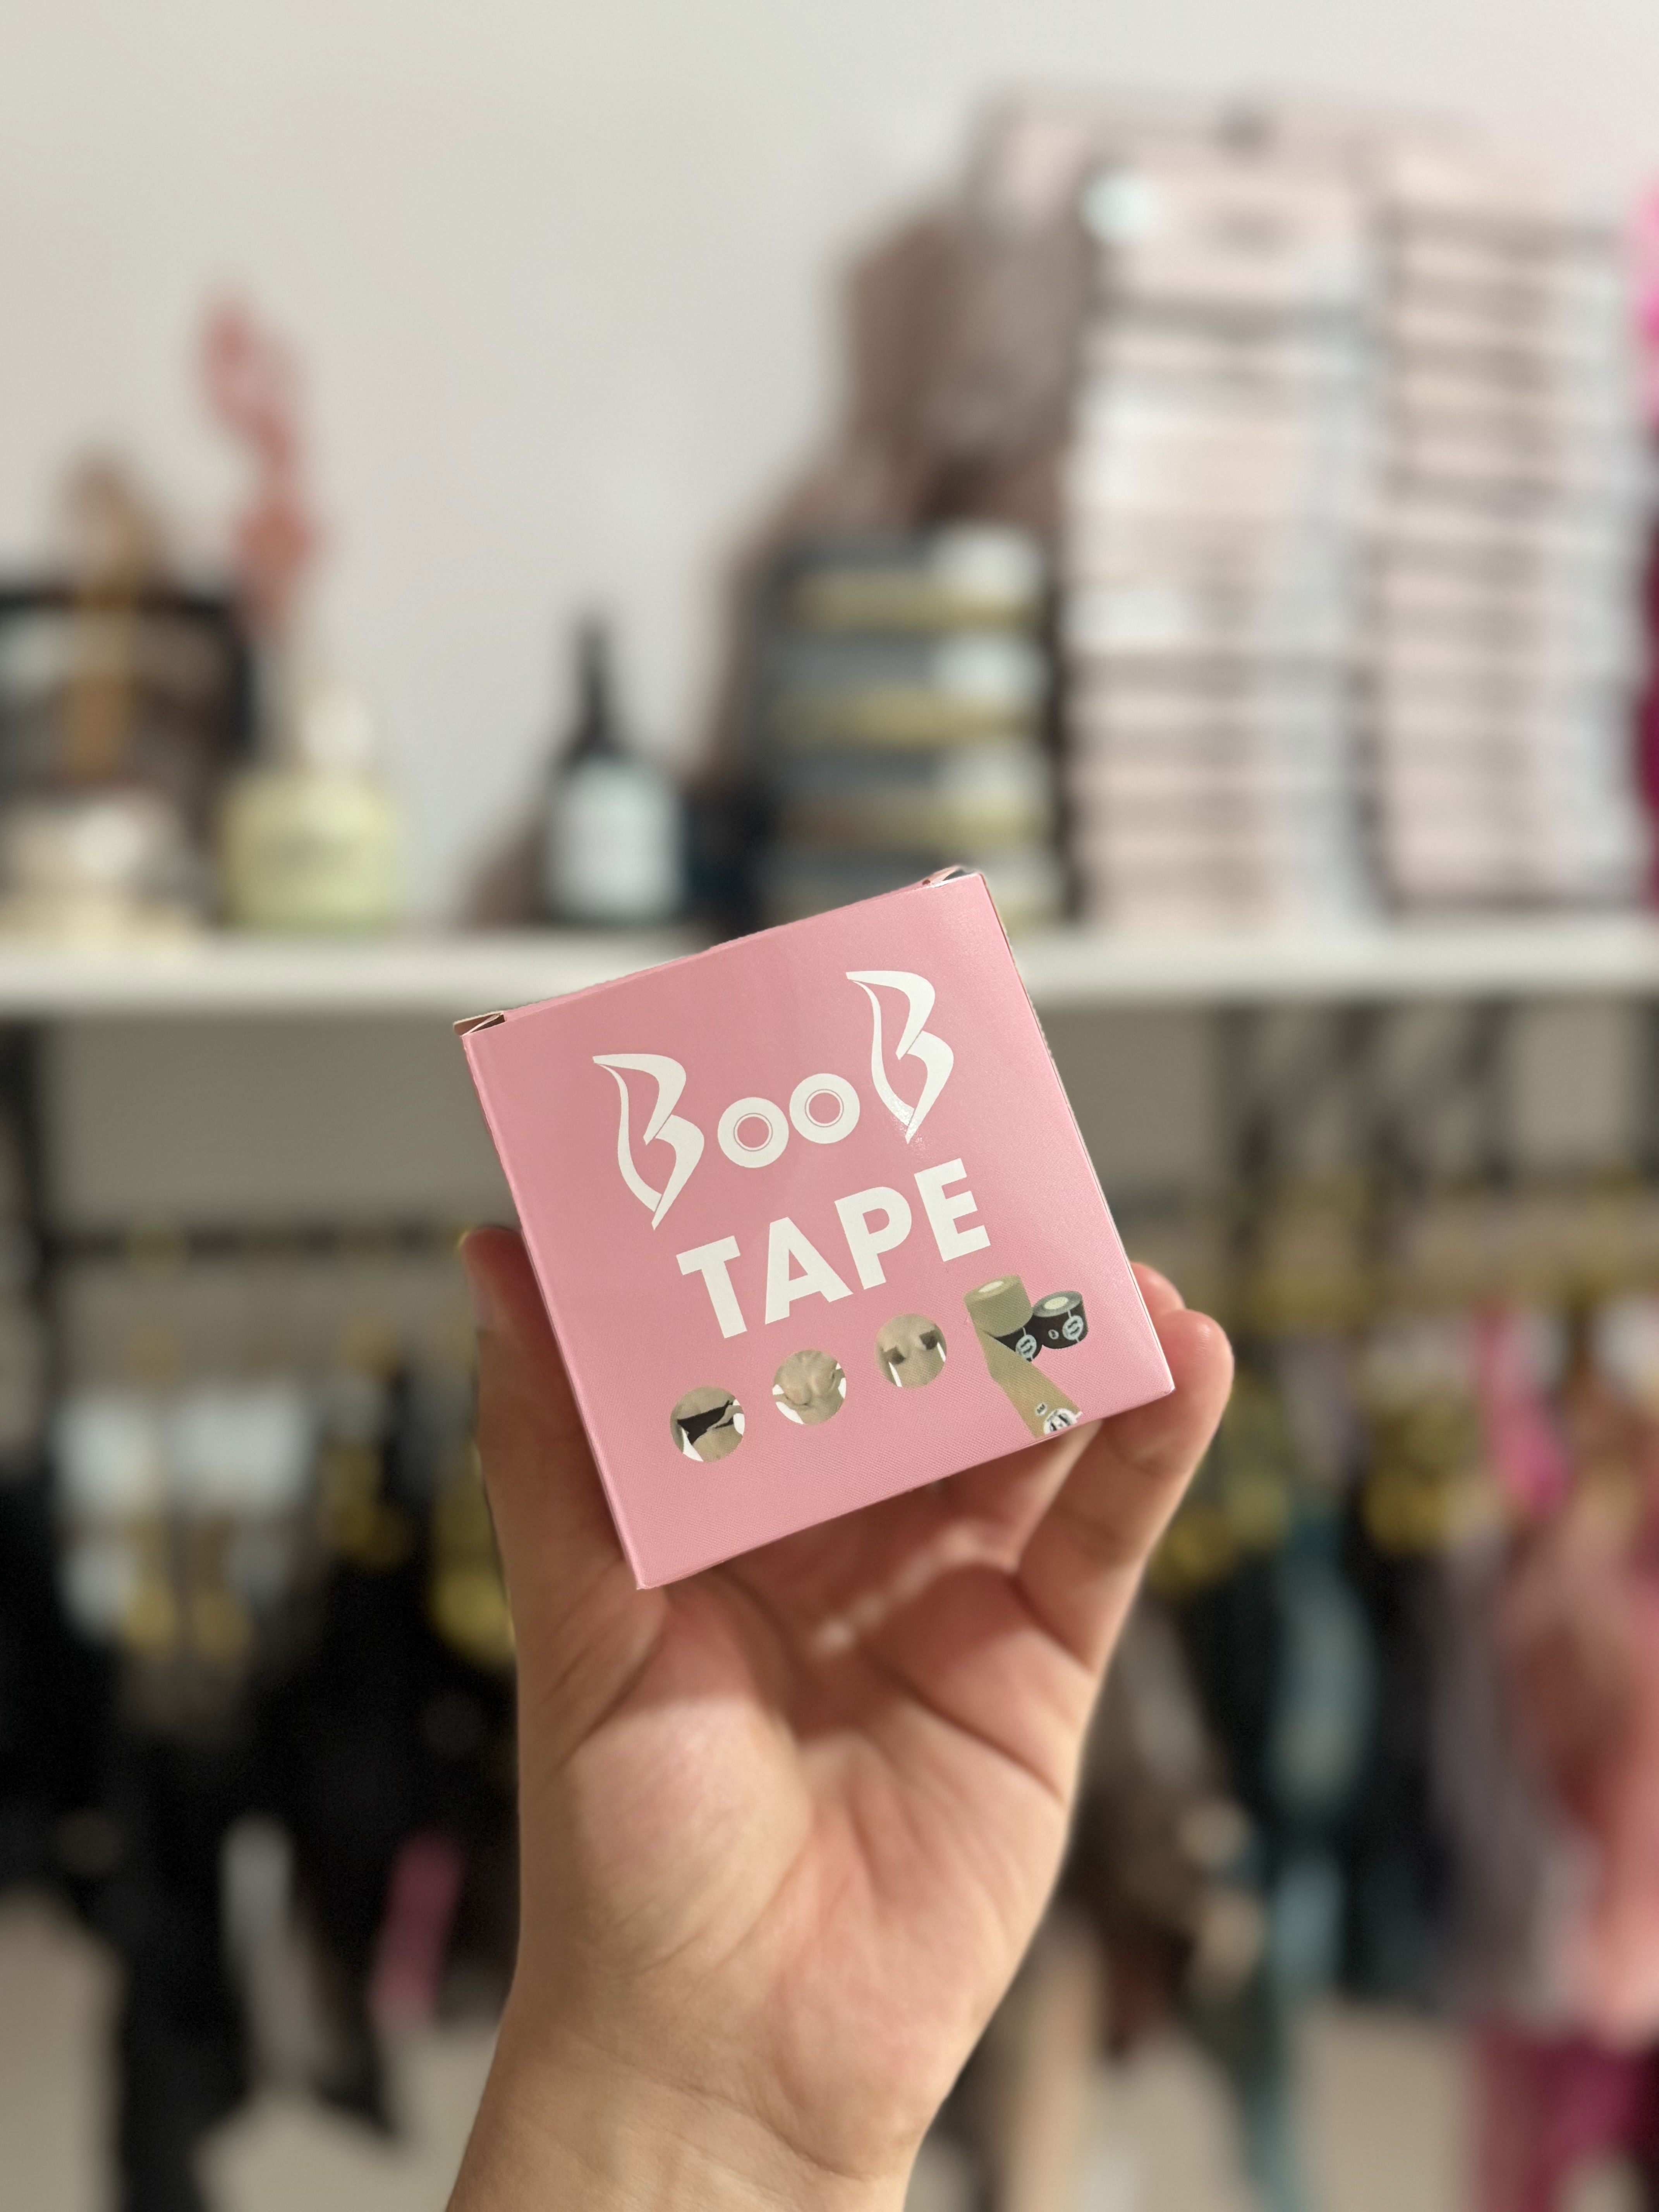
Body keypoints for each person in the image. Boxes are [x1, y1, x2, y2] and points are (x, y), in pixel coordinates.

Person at [448, 1226, 1233, 2211]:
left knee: (1029, 2154)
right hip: (1007, 1881)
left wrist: (698, 2106)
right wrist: (677, 2091)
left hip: (1025, 1892)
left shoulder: (1016, 1576)